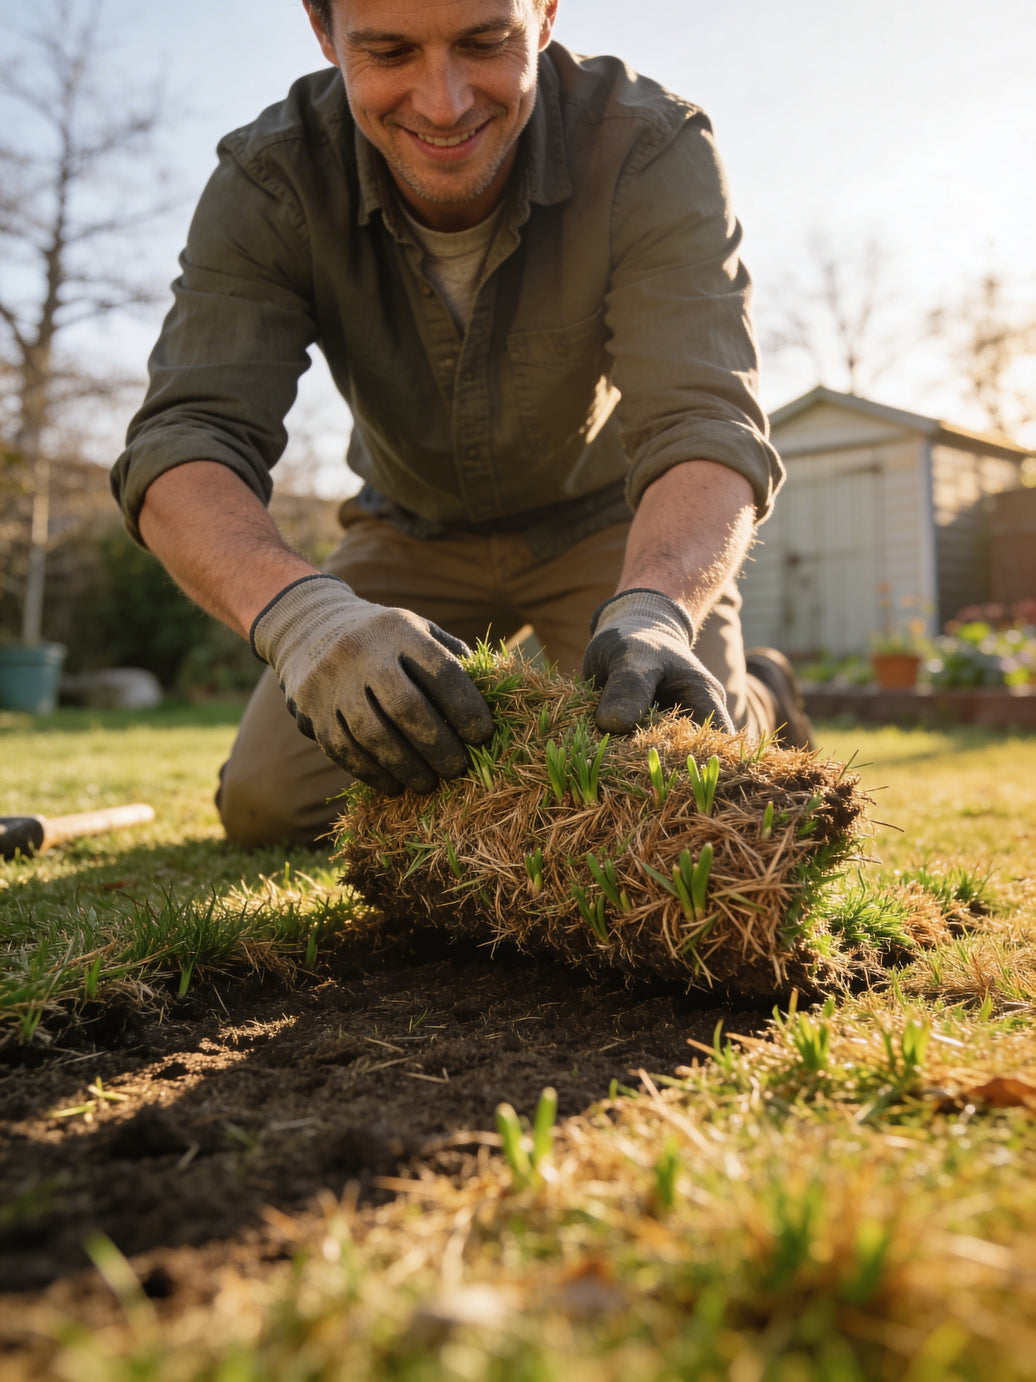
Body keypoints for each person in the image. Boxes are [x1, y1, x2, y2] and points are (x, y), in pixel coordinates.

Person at [111, 0, 812, 848]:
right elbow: (185, 440)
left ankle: (762, 691)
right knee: (270, 809)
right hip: (408, 531)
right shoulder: (272, 178)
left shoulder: (650, 146)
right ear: (324, 32)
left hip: (612, 534)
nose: (443, 105)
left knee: (678, 795)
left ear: (545, 14)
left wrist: (660, 608)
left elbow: (704, 421)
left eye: (485, 42)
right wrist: (308, 621)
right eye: (389, 51)